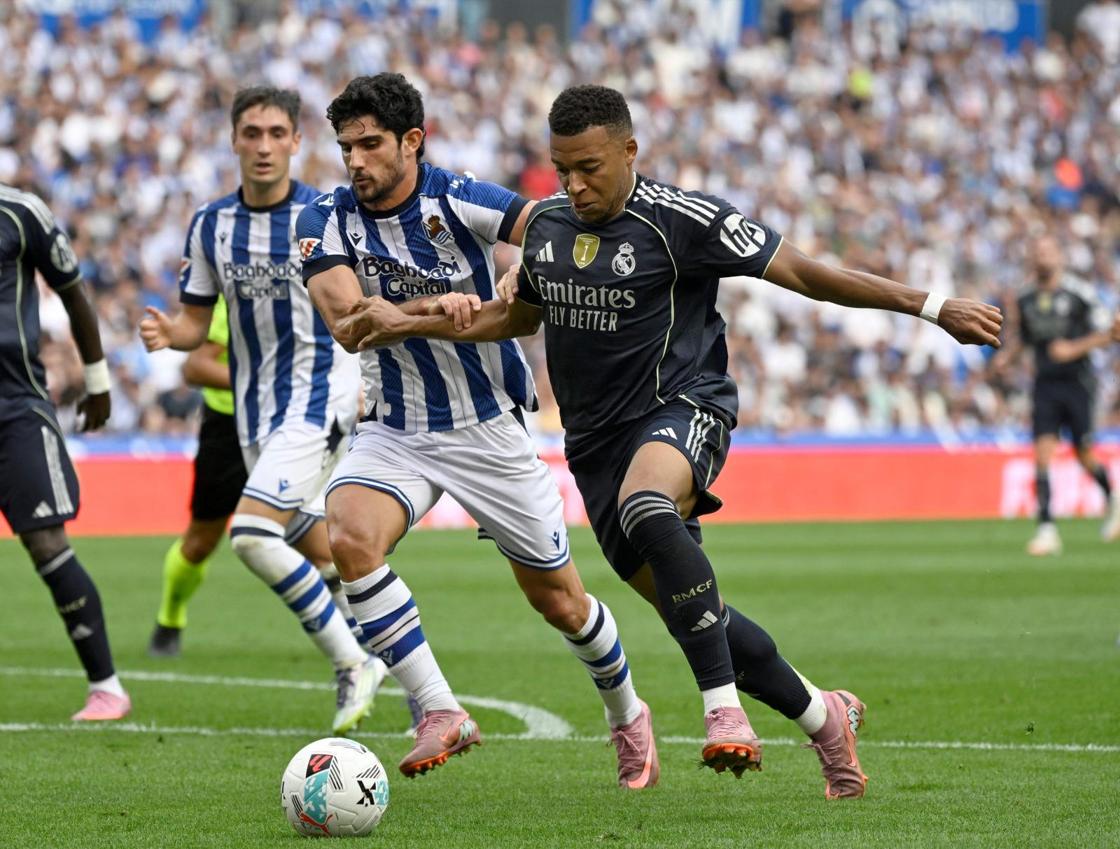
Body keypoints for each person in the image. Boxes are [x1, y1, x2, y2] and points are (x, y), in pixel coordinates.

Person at [337, 84, 1005, 799]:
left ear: (630, 151)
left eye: (590, 166)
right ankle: (824, 715)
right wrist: (407, 323)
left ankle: (724, 710)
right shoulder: (553, 228)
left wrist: (932, 306)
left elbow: (809, 274)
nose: (574, 184)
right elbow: (515, 318)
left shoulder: (685, 219)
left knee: (649, 506)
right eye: (562, 169)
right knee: (697, 613)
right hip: (594, 444)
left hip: (684, 405)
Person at [297, 73, 657, 787]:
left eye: (371, 144)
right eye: (346, 148)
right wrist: (438, 306)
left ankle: (626, 711)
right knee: (348, 532)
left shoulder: (458, 197)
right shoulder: (322, 219)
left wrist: (523, 271)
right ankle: (437, 707)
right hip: (395, 426)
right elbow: (349, 326)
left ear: (411, 141)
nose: (357, 161)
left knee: (560, 601)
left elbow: (554, 229)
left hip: (488, 427)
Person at [139, 86, 384, 734]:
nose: (265, 145)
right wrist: (173, 334)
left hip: (320, 397)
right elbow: (197, 322)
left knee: (249, 535)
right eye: (253, 132)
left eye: (278, 132)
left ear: (297, 142)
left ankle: (352, 661)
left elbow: (367, 300)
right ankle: (408, 664)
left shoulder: (328, 214)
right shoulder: (211, 224)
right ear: (234, 140)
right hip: (253, 417)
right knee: (329, 551)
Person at [147, 299, 368, 660]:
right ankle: (169, 619)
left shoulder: (311, 287)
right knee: (201, 542)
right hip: (231, 429)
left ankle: (364, 654)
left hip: (296, 428)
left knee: (322, 548)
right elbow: (196, 367)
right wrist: (265, 384)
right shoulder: (238, 292)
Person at [0, 182, 130, 721]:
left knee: (47, 541)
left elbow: (74, 292)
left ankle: (107, 688)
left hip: (14, 407)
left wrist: (98, 383)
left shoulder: (19, 211)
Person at [1014, 234, 1120, 556]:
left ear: (1059, 256)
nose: (1042, 256)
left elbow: (1111, 332)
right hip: (1045, 384)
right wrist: (1002, 358)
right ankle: (1046, 529)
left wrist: (1074, 348)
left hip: (1077, 383)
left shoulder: (1079, 293)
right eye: (1037, 250)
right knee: (1042, 453)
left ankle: (1113, 500)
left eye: (1048, 249)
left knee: (1083, 453)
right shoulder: (1025, 298)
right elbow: (1024, 340)